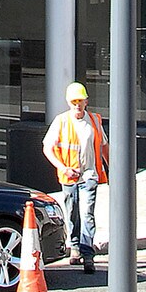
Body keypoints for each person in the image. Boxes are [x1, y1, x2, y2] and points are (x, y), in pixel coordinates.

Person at [43, 81, 109, 271]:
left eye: (80, 101)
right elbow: (47, 148)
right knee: (72, 213)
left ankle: (87, 254)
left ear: (86, 101)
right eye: (74, 102)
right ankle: (75, 247)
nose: (77, 105)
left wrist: (112, 168)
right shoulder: (61, 121)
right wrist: (63, 168)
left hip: (89, 175)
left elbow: (104, 146)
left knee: (87, 213)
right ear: (68, 102)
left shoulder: (94, 120)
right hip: (69, 177)